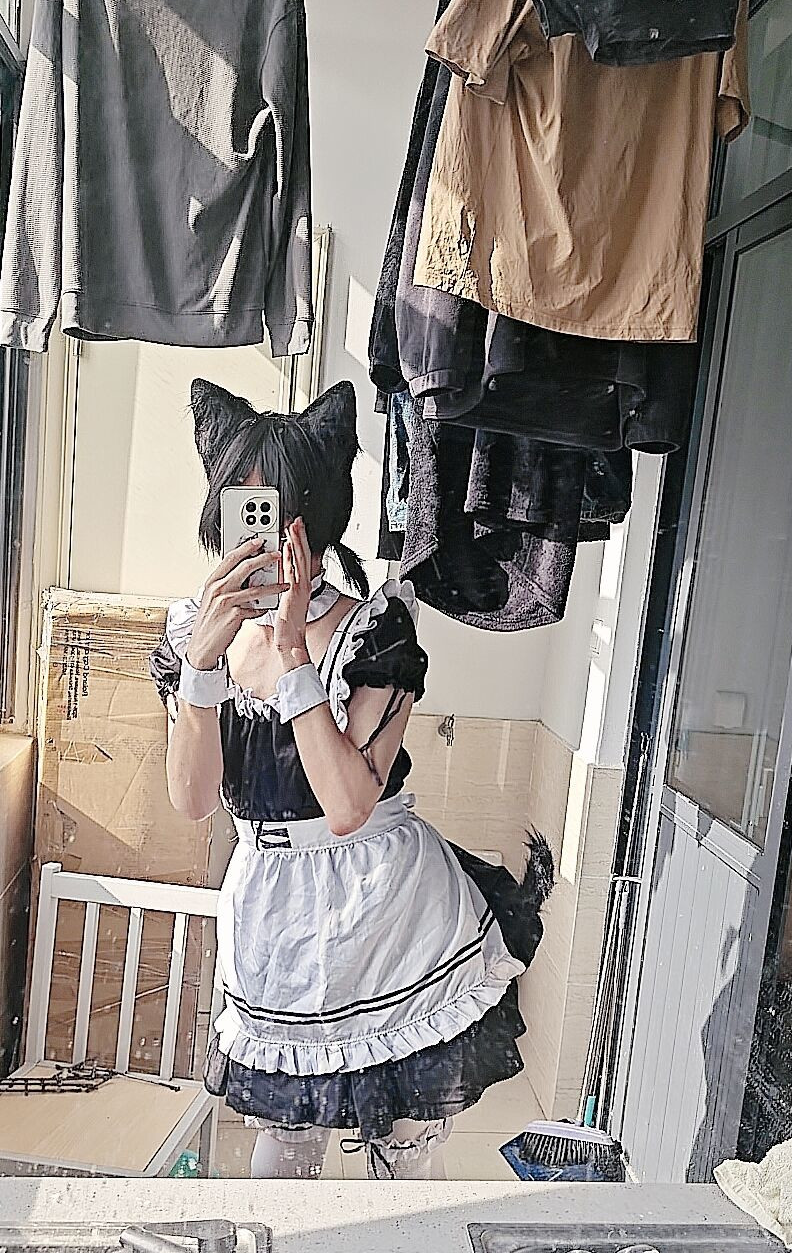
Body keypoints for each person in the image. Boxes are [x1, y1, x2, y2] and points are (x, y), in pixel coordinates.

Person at [150, 377, 553, 1179]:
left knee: (403, 1142)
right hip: (272, 909)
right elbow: (193, 800)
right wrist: (201, 669)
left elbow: (346, 805)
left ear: (318, 513)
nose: (261, 531)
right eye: (243, 504)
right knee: (285, 1140)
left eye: (279, 507)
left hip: (382, 906)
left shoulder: (375, 630)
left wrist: (294, 651)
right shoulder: (194, 632)